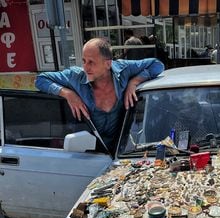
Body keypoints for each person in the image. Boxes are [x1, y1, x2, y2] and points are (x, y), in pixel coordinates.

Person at [35, 38, 164, 152]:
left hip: (123, 151)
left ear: (108, 64)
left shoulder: (123, 70)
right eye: (84, 61)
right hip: (89, 154)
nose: (86, 67)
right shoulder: (75, 76)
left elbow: (157, 65)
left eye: (91, 62)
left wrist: (134, 82)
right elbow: (40, 80)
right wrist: (67, 93)